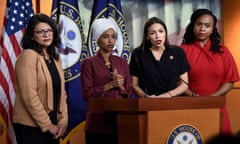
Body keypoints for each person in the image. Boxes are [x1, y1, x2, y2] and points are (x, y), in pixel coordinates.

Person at [180, 9, 239, 134]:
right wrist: (194, 97)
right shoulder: (183, 50)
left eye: (207, 26)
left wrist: (212, 98)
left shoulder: (223, 51)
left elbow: (229, 81)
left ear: (212, 29)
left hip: (217, 105)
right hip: (190, 105)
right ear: (192, 26)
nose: (202, 28)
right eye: (199, 24)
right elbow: (177, 80)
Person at [13, 13, 68, 144]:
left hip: (54, 124)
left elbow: (62, 93)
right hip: (31, 126)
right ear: (32, 35)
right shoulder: (28, 56)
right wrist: (48, 125)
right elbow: (29, 97)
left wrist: (63, 120)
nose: (46, 35)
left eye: (49, 30)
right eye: (40, 31)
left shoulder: (55, 58)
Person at [81, 18, 132, 144]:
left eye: (113, 37)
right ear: (98, 39)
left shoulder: (122, 62)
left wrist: (121, 88)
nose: (111, 41)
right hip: (98, 125)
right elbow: (87, 94)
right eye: (105, 37)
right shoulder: (88, 63)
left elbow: (129, 90)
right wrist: (109, 85)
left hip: (121, 123)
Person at [129, 17, 190, 98]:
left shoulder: (177, 52)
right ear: (147, 36)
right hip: (148, 102)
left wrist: (167, 95)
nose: (157, 36)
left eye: (161, 31)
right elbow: (134, 85)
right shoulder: (138, 54)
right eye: (152, 33)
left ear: (165, 33)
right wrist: (146, 97)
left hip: (173, 101)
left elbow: (184, 84)